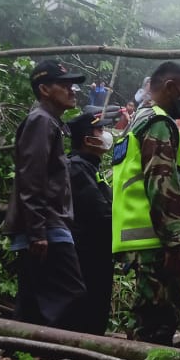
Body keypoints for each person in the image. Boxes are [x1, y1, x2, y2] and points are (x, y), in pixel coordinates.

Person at [110, 61, 180, 345]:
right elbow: (161, 184)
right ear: (170, 88)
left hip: (139, 237)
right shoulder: (158, 123)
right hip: (157, 240)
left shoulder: (139, 119)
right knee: (158, 323)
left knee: (146, 314)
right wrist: (175, 240)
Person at [3, 59, 87, 331]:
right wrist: (37, 232)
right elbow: (31, 177)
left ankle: (20, 357)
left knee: (33, 299)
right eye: (64, 85)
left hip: (46, 225)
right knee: (70, 292)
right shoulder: (40, 121)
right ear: (44, 90)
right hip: (47, 226)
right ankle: (48, 356)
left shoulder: (50, 122)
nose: (72, 90)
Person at [63, 110, 115, 335]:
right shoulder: (76, 168)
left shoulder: (89, 167)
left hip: (97, 251)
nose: (105, 134)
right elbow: (99, 212)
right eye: (100, 130)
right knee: (90, 307)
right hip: (87, 252)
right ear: (87, 140)